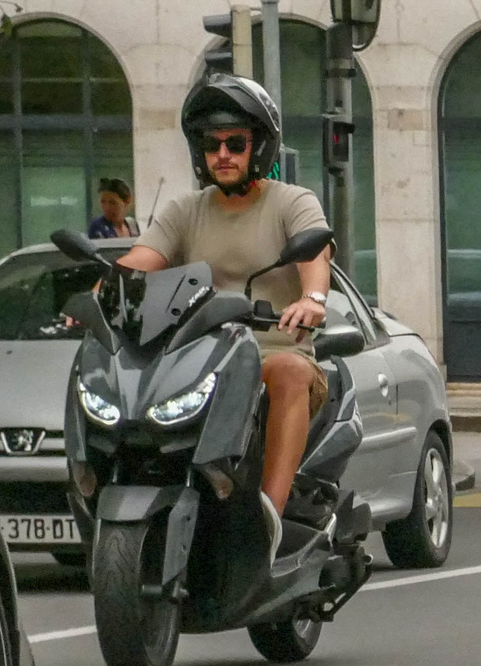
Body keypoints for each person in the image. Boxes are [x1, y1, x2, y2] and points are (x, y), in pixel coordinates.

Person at [116, 75, 330, 546]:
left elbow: (316, 255)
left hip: (271, 358)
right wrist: (99, 293)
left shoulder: (292, 202)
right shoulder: (184, 210)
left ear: (260, 146)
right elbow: (137, 264)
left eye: (235, 142)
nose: (223, 154)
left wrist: (312, 299)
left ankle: (267, 520)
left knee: (291, 370)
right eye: (211, 145)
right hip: (196, 364)